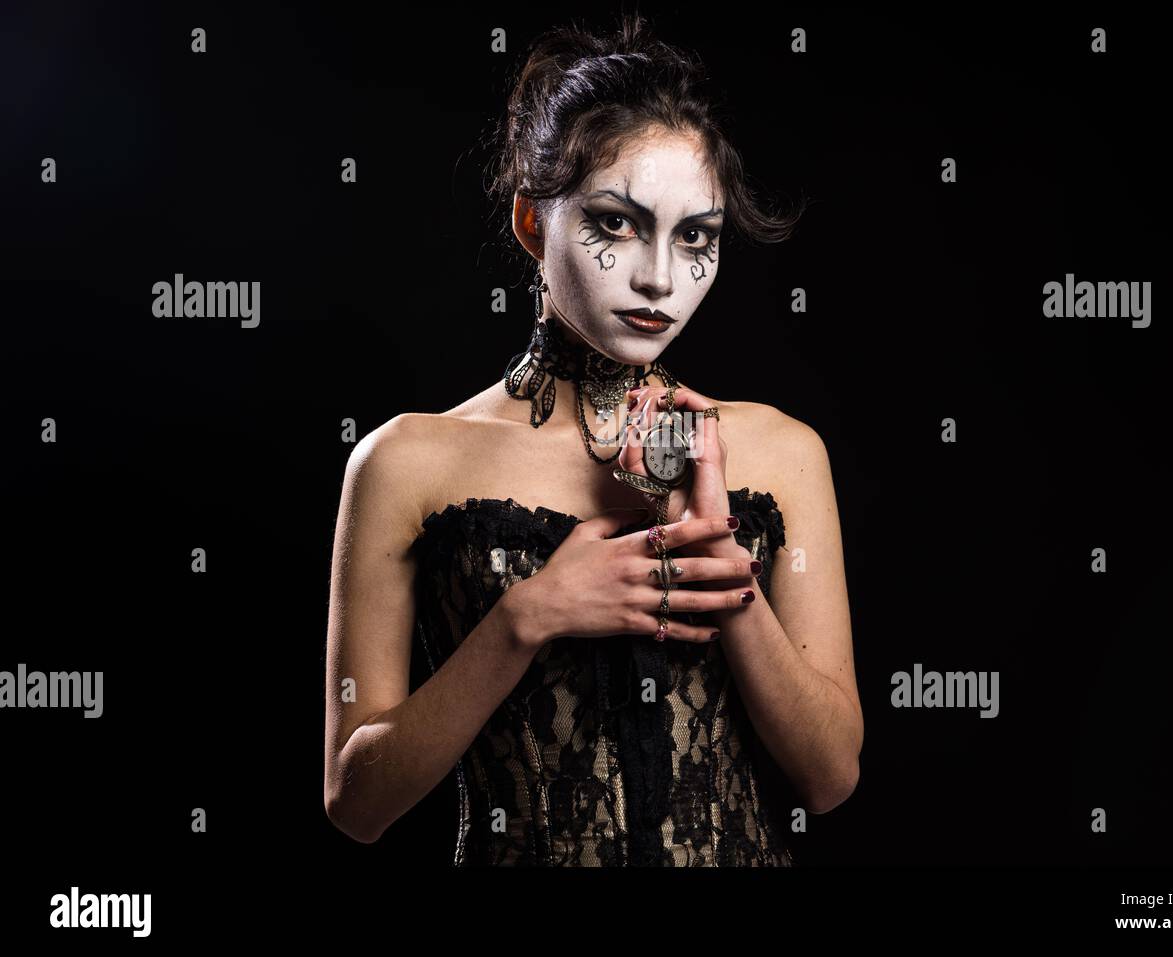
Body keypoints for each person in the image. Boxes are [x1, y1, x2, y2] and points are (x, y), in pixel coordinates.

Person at [323, 12, 861, 866]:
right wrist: (528, 615)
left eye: (695, 237)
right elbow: (356, 801)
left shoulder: (782, 450)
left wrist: (732, 587)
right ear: (534, 225)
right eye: (616, 223)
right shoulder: (403, 460)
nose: (659, 276)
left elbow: (831, 777)